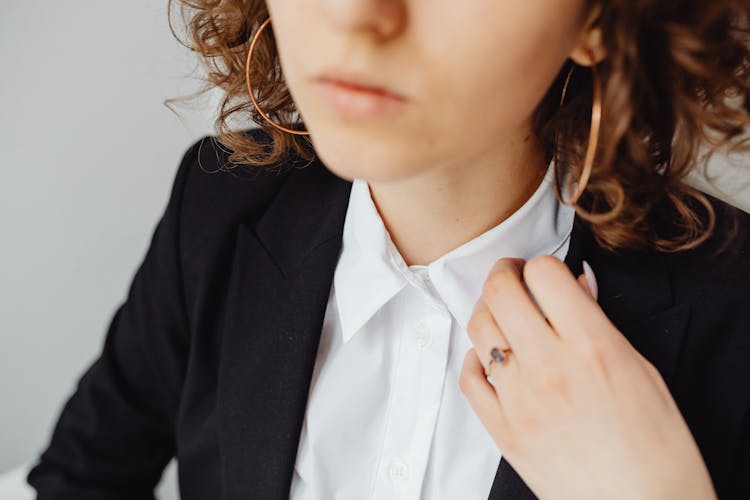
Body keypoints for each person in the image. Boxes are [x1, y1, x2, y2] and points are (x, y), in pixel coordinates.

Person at [27, 0, 750, 499]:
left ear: (599, 16)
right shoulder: (217, 204)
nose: (351, 13)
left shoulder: (734, 311)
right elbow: (81, 477)